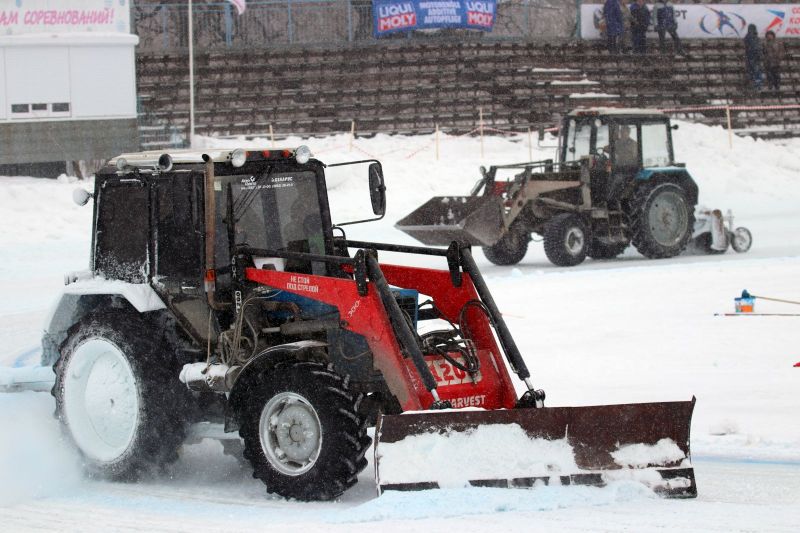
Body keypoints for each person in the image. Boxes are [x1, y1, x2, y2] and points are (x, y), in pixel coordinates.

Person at [743, 24, 763, 91]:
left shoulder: (752, 38)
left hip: (752, 57)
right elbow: (756, 48)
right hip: (752, 57)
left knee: (754, 72)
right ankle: (757, 85)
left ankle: (756, 85)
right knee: (755, 72)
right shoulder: (752, 38)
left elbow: (758, 48)